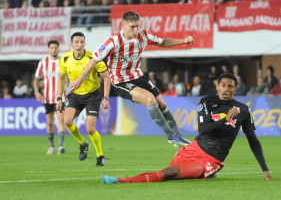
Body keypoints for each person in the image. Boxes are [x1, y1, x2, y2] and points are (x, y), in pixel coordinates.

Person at [102, 73, 273, 184]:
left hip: (210, 160)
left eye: (230, 86)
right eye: (223, 85)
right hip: (193, 149)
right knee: (173, 173)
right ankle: (208, 175)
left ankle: (120, 181)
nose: (225, 89)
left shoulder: (243, 110)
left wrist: (265, 169)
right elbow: (203, 130)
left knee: (169, 173)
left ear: (235, 89)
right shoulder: (207, 102)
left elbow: (253, 140)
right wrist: (224, 119)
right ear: (217, 86)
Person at [69, 11, 193, 147]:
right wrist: (80, 80)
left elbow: (162, 42)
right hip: (121, 81)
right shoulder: (114, 42)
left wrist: (183, 41)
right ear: (123, 26)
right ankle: (171, 136)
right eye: (132, 27)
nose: (136, 30)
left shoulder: (144, 36)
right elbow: (93, 60)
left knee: (162, 104)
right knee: (150, 100)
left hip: (139, 76)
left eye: (137, 26)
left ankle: (179, 139)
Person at [56, 32, 110, 166]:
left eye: (82, 42)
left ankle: (100, 154)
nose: (79, 45)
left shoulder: (94, 57)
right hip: (75, 94)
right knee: (67, 121)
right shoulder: (65, 58)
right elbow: (61, 78)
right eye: (76, 42)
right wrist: (59, 98)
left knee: (90, 129)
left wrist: (106, 97)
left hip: (92, 95)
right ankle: (83, 143)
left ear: (85, 43)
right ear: (71, 44)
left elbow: (106, 77)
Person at [34, 40, 66, 155]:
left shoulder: (63, 61)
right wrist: (36, 92)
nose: (54, 50)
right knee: (50, 122)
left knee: (61, 120)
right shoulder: (43, 62)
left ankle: (61, 146)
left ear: (58, 48)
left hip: (60, 97)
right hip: (47, 97)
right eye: (51, 48)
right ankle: (52, 146)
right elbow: (37, 78)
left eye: (56, 47)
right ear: (48, 49)